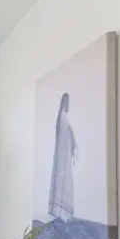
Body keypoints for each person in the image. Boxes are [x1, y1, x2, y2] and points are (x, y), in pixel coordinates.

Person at [48, 92, 77, 220]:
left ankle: (62, 214)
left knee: (64, 182)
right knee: (62, 182)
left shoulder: (64, 118)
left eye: (68, 102)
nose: (68, 104)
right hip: (62, 158)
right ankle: (59, 213)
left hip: (64, 157)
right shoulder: (62, 117)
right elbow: (63, 136)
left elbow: (69, 134)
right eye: (66, 102)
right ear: (63, 103)